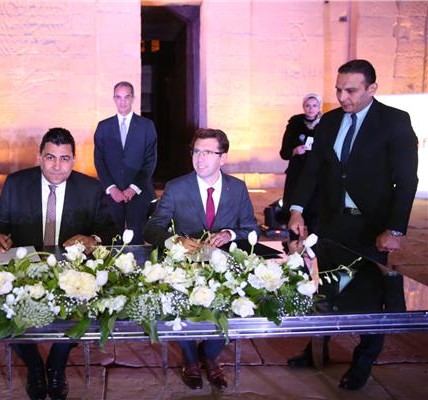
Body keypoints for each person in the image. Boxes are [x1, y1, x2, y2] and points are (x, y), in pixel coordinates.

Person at [288, 59, 418, 390]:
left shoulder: (395, 121)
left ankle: (363, 362)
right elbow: (312, 170)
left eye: (351, 90)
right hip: (331, 223)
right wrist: (297, 209)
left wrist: (395, 229)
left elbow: (406, 180)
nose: (343, 97)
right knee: (324, 290)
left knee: (370, 300)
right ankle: (316, 349)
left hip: (372, 228)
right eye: (338, 90)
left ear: (372, 89)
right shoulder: (330, 121)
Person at [0, 128, 118, 400]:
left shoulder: (90, 188)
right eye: (50, 157)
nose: (57, 166)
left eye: (64, 158)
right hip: (24, 269)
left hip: (71, 272)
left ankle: (57, 364)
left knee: (85, 308)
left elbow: (108, 229)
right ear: (39, 157)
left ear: (73, 160)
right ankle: (34, 366)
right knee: (2, 310)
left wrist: (92, 239)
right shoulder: (16, 184)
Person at [144, 128, 259, 390]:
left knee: (242, 299)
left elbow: (251, 229)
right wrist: (175, 241)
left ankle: (209, 354)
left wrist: (230, 234)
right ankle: (189, 357)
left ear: (223, 157)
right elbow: (151, 228)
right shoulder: (176, 187)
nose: (200, 158)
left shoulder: (237, 188)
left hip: (224, 268)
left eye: (208, 152)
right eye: (196, 151)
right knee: (173, 297)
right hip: (185, 268)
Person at [94, 81, 157, 244]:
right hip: (112, 194)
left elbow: (150, 161)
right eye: (118, 97)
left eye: (126, 97)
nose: (122, 102)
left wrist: (134, 187)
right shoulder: (103, 126)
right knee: (111, 240)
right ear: (114, 99)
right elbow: (99, 160)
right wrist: (111, 187)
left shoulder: (146, 126)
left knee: (137, 241)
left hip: (139, 192)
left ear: (133, 98)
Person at [279, 93, 322, 234]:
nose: (311, 109)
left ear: (319, 107)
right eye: (307, 106)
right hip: (297, 174)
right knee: (294, 210)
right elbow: (284, 153)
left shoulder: (326, 124)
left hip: (317, 174)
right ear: (303, 107)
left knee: (315, 211)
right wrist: (295, 151)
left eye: (314, 105)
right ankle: (293, 242)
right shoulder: (295, 124)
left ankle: (313, 242)